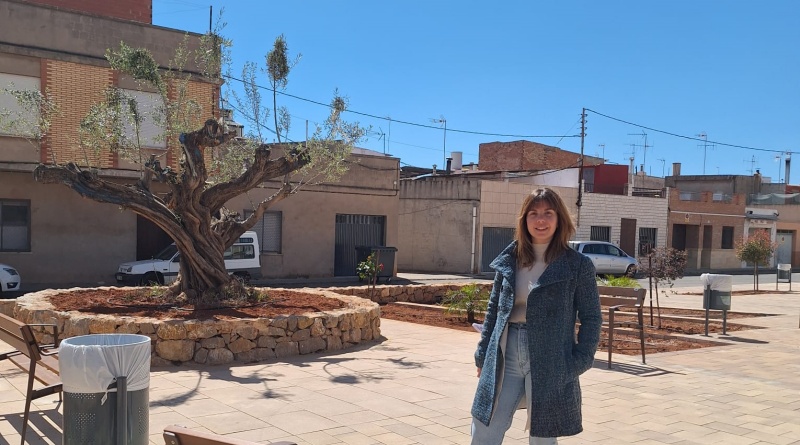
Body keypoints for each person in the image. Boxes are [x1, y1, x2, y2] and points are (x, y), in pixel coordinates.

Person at [471, 187, 602, 445]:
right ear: (524, 219)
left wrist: (580, 360)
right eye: (534, 213)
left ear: (559, 219)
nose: (540, 220)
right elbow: (494, 309)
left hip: (552, 356)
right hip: (507, 351)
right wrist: (483, 353)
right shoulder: (510, 259)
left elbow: (592, 317)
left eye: (548, 213)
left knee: (543, 435)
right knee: (485, 426)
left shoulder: (577, 265)